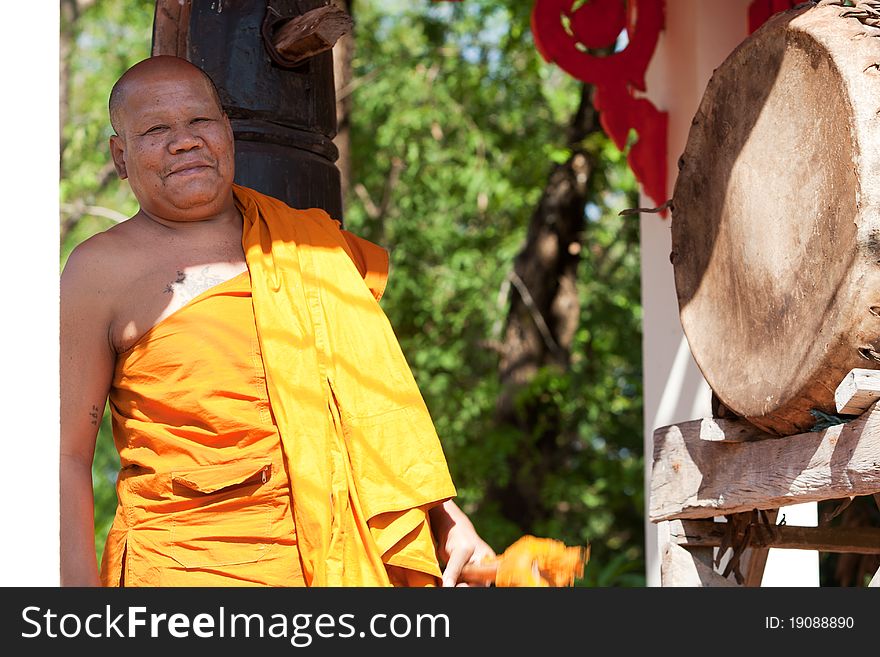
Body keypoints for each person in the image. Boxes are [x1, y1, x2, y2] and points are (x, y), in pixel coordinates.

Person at [60, 55, 494, 587]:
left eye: (200, 121)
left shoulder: (307, 244)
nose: (184, 141)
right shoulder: (99, 270)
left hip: (336, 560)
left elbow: (367, 410)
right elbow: (64, 457)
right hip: (187, 565)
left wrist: (446, 519)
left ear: (228, 132)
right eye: (156, 129)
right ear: (120, 156)